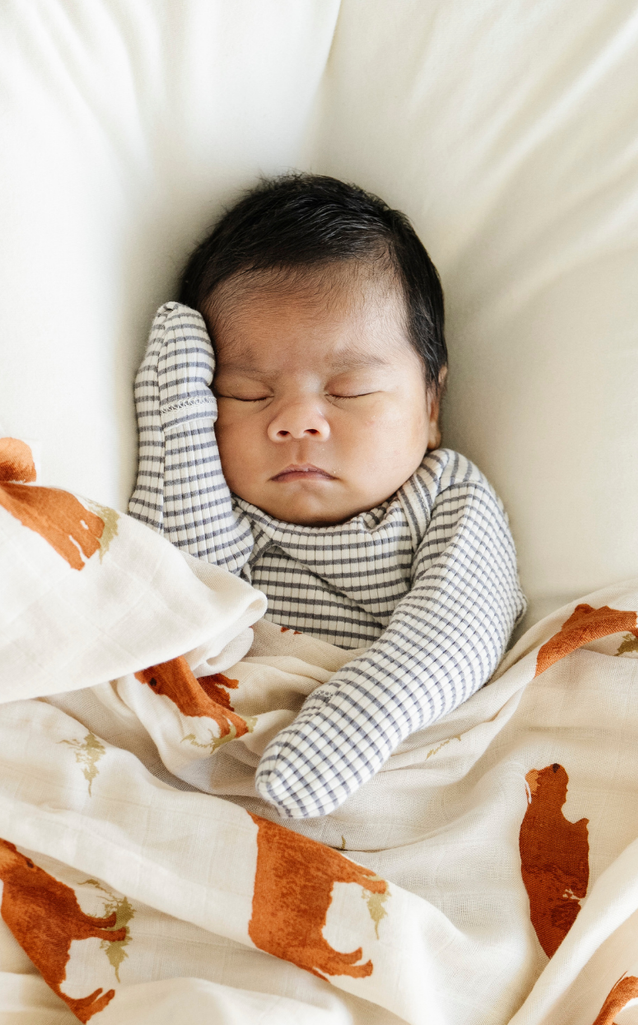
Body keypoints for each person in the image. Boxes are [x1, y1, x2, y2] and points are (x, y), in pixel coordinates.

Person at [130, 174, 525, 820]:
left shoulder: (445, 496)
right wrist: (177, 386)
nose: (296, 422)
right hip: (234, 769)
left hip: (387, 741)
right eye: (246, 393)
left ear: (430, 405)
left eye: (346, 391)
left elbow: (460, 626)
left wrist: (351, 724)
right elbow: (190, 609)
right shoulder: (232, 511)